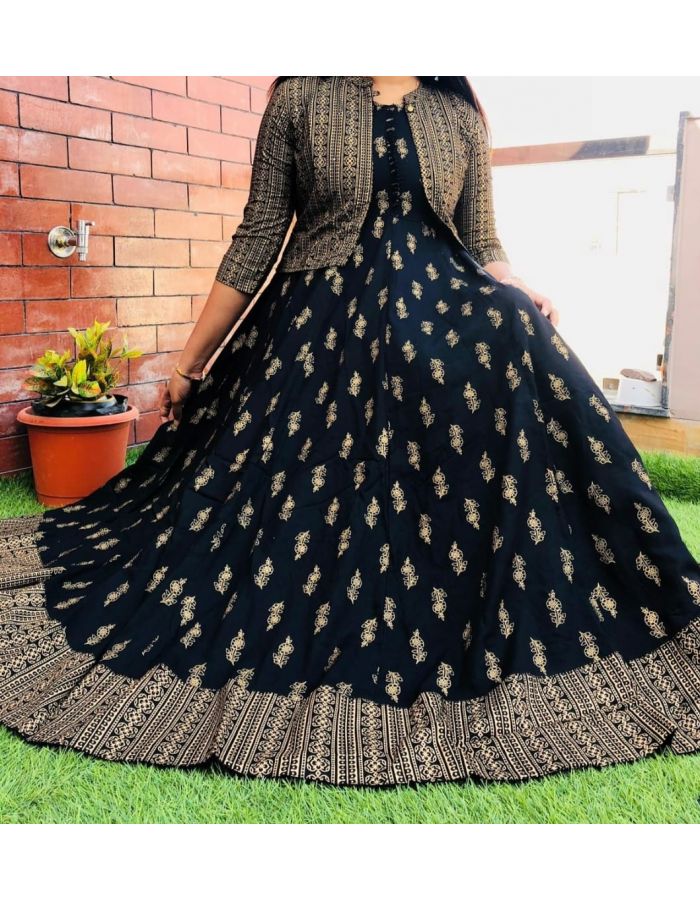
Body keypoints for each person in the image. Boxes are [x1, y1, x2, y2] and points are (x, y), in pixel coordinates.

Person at [1, 75, 699, 788]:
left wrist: (515, 284)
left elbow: (482, 237)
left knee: (520, 330)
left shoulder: (457, 112)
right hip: (318, 337)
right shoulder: (300, 97)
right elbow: (258, 237)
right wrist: (192, 362)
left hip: (437, 321)